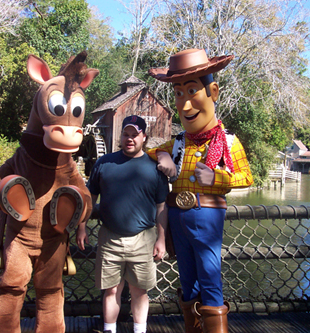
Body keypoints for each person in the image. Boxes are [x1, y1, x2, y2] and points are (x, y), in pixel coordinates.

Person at [147, 49, 254, 333]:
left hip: (207, 217)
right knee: (187, 279)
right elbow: (148, 152)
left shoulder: (228, 142)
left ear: (213, 92)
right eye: (179, 94)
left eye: (192, 91)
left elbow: (246, 177)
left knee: (209, 276)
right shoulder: (178, 143)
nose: (184, 104)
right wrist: (162, 157)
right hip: (177, 218)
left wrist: (216, 177)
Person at [76, 115, 170, 333]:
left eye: (134, 135)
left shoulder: (155, 168)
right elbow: (90, 199)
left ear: (143, 137)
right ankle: (109, 329)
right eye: (125, 134)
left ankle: (140, 330)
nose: (129, 139)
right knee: (111, 291)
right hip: (109, 237)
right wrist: (81, 227)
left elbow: (161, 207)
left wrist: (161, 239)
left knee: (139, 292)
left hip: (144, 239)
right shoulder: (104, 163)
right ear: (120, 136)